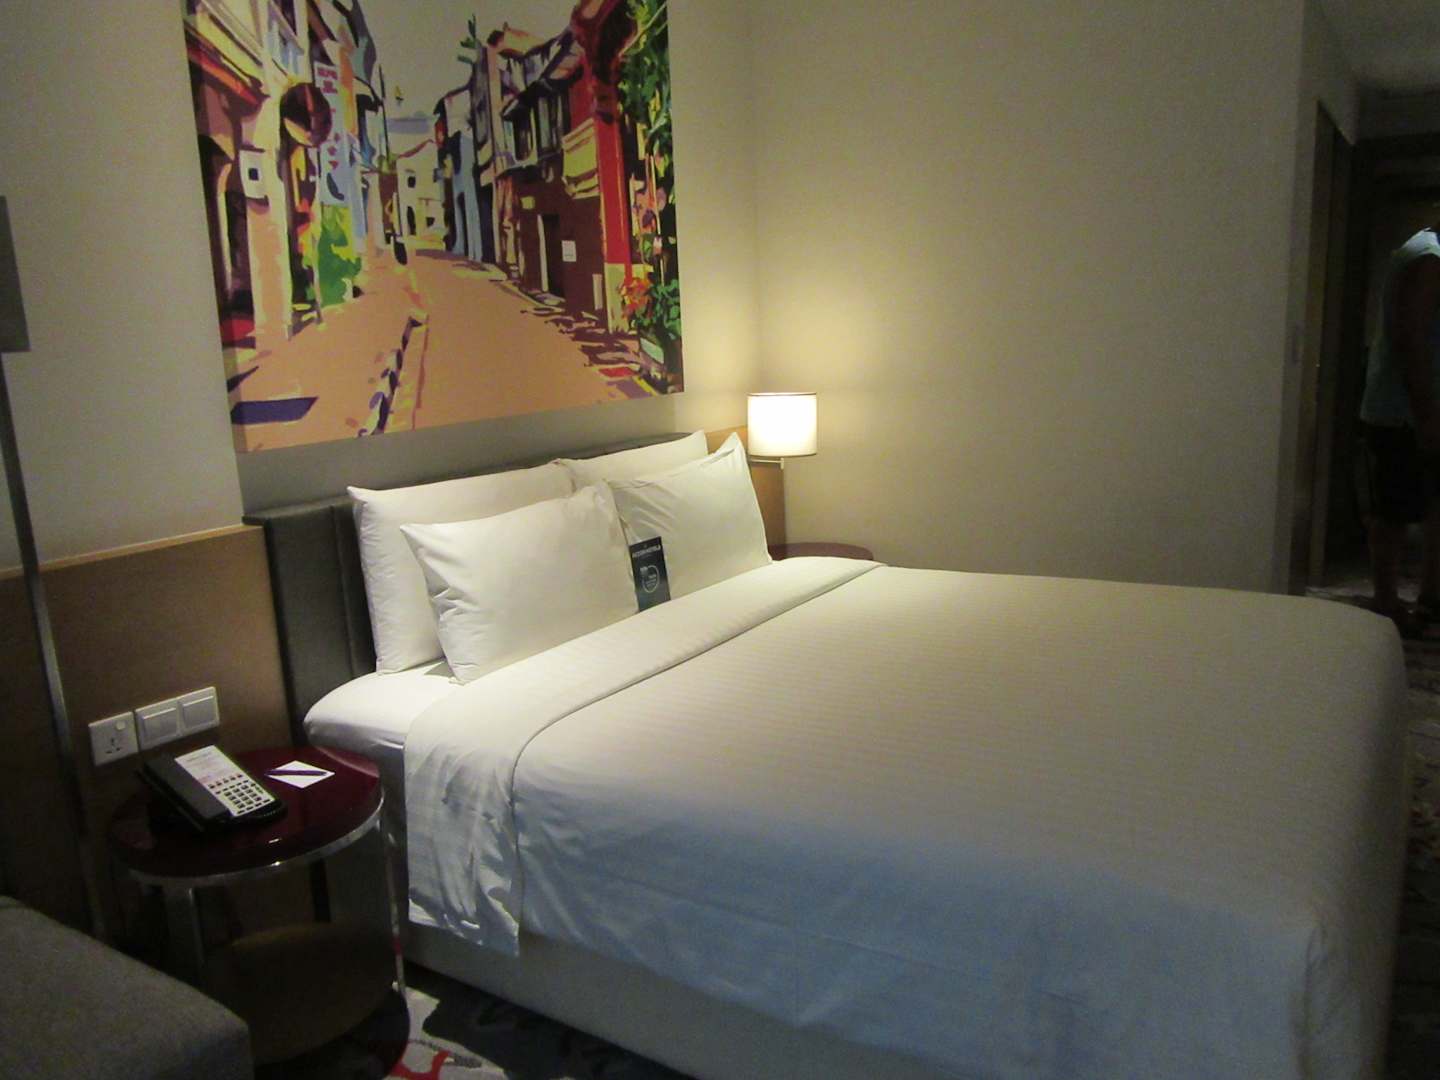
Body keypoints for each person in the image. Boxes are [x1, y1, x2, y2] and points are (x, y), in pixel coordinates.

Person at [1359, 223, 1440, 634]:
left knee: (1418, 503)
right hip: (1402, 411)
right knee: (1394, 509)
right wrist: (1427, 415)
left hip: (1406, 408)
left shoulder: (1421, 251)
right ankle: (1387, 603)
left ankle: (1429, 598)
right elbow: (1412, 340)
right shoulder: (1428, 259)